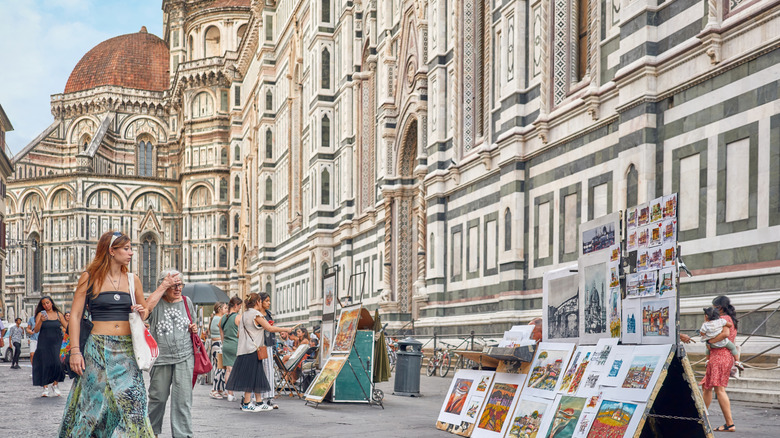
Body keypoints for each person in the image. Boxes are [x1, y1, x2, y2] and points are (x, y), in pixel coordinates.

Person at [60, 230, 178, 437]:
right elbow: (76, 316)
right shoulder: (89, 278)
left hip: (126, 351)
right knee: (93, 406)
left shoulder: (133, 280)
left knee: (135, 406)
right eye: (126, 248)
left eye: (131, 248)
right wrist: (76, 351)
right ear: (111, 251)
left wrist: (143, 311)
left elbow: (145, 312)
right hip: (97, 349)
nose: (131, 253)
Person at [144, 268, 196, 438]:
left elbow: (193, 323)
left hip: (185, 356)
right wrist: (161, 288)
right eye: (173, 285)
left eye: (179, 285)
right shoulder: (156, 303)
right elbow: (144, 312)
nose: (177, 289)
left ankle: (183, 435)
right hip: (162, 358)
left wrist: (194, 328)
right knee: (157, 399)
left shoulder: (187, 302)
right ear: (164, 285)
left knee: (182, 401)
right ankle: (151, 433)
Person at [225, 293, 292, 412]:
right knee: (251, 377)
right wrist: (286, 329)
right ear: (257, 303)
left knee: (256, 376)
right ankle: (246, 403)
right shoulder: (256, 314)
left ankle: (259, 401)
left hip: (244, 350)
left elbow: (238, 334)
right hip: (253, 349)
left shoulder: (244, 315)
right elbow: (270, 329)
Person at [700, 295, 739, 433]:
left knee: (719, 389)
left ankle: (729, 423)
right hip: (722, 356)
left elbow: (724, 335)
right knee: (707, 386)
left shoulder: (722, 320)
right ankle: (700, 417)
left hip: (720, 356)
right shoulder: (729, 319)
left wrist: (709, 342)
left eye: (714, 307)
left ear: (720, 308)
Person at [31, 296, 68, 397]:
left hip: (57, 343)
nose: (46, 305)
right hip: (44, 343)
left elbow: (67, 327)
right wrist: (41, 321)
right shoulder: (41, 314)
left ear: (51, 303)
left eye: (47, 303)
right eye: (43, 304)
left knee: (58, 363)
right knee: (45, 364)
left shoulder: (58, 314)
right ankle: (45, 388)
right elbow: (36, 330)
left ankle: (55, 385)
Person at [257, 293, 278, 409]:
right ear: (260, 302)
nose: (269, 303)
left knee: (269, 371)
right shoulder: (257, 315)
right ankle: (257, 398)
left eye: (269, 301)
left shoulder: (268, 314)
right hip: (260, 345)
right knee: (260, 371)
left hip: (268, 345)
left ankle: (269, 397)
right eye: (267, 301)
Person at [220, 296, 242, 402]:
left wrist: (224, 341)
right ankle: (242, 392)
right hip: (236, 345)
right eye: (240, 306)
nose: (240, 308)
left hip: (226, 345)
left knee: (228, 370)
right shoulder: (238, 317)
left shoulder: (224, 317)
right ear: (236, 305)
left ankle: (230, 394)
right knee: (237, 370)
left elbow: (221, 330)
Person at [209, 302, 228, 399]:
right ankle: (214, 389)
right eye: (225, 308)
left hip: (216, 345)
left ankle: (220, 389)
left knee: (220, 367)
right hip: (218, 345)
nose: (227, 309)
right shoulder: (219, 319)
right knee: (220, 368)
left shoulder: (216, 318)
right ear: (220, 309)